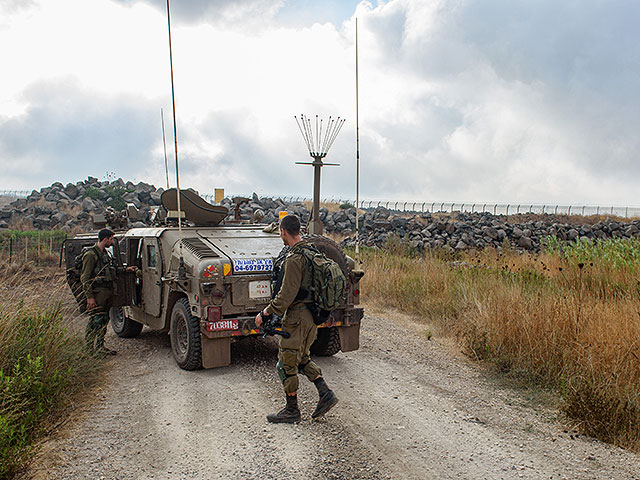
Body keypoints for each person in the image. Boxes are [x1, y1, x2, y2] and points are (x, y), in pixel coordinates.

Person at [255, 214, 338, 423]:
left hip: (297, 318)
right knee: (301, 358)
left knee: (285, 364)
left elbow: (286, 295)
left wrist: (265, 313)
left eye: (281, 232)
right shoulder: (311, 251)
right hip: (311, 317)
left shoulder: (294, 258)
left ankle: (292, 410)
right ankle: (325, 393)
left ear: (283, 231)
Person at [80, 228, 135, 356]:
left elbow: (112, 270)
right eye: (111, 239)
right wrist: (90, 298)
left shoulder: (105, 253)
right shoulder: (91, 255)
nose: (112, 242)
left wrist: (126, 270)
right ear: (105, 239)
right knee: (95, 320)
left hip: (107, 293)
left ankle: (100, 347)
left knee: (104, 319)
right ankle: (89, 349)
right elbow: (85, 277)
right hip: (98, 293)